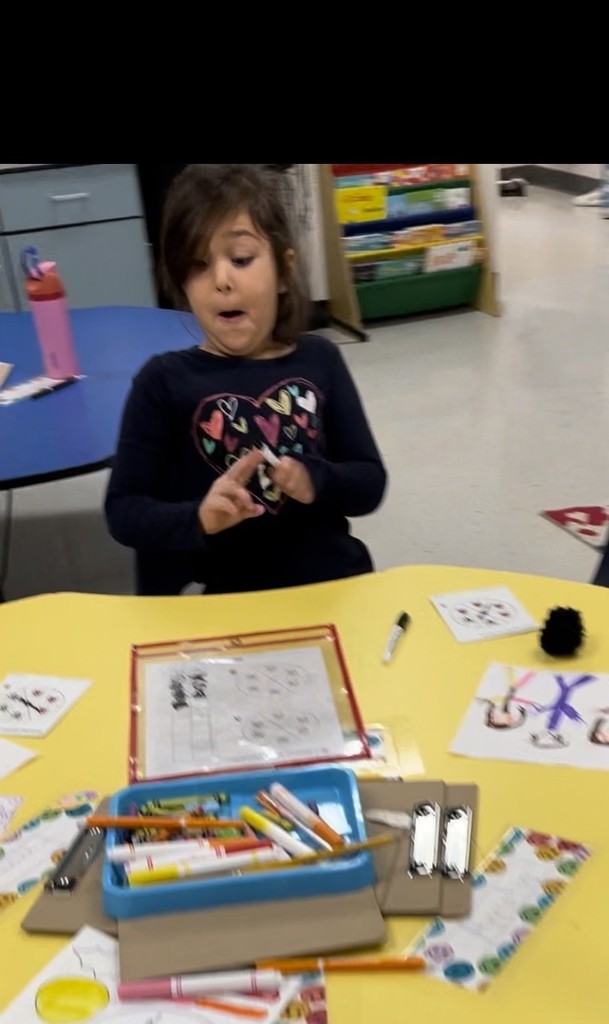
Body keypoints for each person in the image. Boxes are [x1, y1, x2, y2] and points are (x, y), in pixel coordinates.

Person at [105, 164, 387, 596]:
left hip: (324, 589)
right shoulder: (161, 382)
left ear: (283, 269)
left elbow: (369, 483)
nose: (221, 280)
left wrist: (318, 479)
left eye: (241, 259)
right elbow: (124, 512)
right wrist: (199, 516)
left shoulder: (321, 360)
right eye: (198, 265)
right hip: (220, 602)